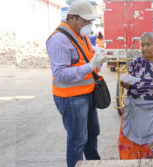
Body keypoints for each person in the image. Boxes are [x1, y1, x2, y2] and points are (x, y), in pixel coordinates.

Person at [46, 0, 106, 166]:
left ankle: (94, 163)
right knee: (77, 140)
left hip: (87, 94)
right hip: (71, 99)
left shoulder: (81, 34)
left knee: (92, 134)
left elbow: (83, 54)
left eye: (90, 22)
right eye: (85, 21)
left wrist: (96, 53)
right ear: (72, 17)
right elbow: (60, 74)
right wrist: (91, 65)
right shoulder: (59, 40)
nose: (88, 25)